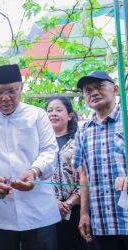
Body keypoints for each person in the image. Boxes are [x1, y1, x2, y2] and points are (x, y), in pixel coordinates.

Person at [0, 64, 60, 250]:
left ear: (21, 88)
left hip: (38, 209)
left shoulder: (37, 115)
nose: (6, 97)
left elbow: (50, 150)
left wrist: (34, 171)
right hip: (0, 214)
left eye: (12, 91)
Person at [74, 71, 128, 250]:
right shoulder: (83, 131)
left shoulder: (126, 121)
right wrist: (84, 213)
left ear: (115, 88)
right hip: (102, 223)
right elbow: (84, 176)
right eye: (88, 90)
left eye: (99, 87)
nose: (93, 93)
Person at [46, 97, 87, 250]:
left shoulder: (80, 139)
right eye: (49, 111)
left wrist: (69, 202)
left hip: (76, 208)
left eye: (58, 110)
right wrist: (52, 202)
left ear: (70, 115)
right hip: (47, 209)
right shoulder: (41, 144)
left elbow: (86, 174)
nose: (53, 114)